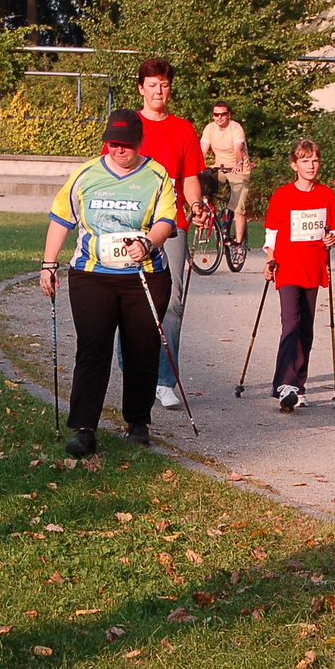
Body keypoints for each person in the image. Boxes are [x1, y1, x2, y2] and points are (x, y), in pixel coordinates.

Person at [45, 108, 180, 456]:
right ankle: (84, 428)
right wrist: (48, 265)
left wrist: (149, 242)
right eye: (113, 144)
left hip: (144, 275)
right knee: (93, 347)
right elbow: (62, 218)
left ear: (140, 143)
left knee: (141, 349)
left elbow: (167, 219)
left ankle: (138, 423)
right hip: (92, 275)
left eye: (127, 144)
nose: (119, 151)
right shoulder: (87, 174)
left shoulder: (157, 175)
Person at [116, 58, 203, 410]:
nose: (158, 91)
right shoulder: (129, 126)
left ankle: (165, 378)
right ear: (141, 88)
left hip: (173, 225)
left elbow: (191, 178)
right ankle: (136, 370)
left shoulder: (183, 129)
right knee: (129, 299)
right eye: (152, 85)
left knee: (173, 302)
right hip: (131, 224)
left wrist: (195, 206)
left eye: (164, 85)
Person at [261, 139, 335, 412]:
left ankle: (299, 385)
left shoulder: (326, 194)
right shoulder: (283, 195)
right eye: (305, 160)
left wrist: (333, 238)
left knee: (306, 327)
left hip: (314, 268)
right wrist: (270, 260)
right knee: (290, 324)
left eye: (315, 160)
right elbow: (271, 232)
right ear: (294, 165)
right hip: (287, 267)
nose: (311, 165)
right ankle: (285, 384)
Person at [198, 101, 253, 249]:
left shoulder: (235, 128)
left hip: (238, 169)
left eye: (223, 114)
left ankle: (238, 243)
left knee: (238, 207)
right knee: (202, 181)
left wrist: (239, 163)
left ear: (229, 115)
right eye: (216, 114)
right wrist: (195, 165)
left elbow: (238, 149)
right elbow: (201, 150)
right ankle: (207, 210)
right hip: (220, 168)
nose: (220, 117)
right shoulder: (210, 128)